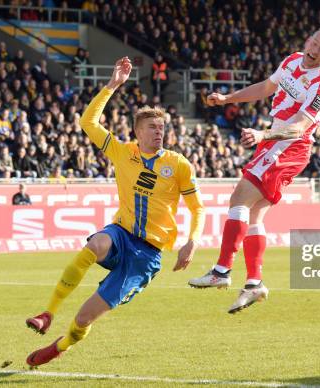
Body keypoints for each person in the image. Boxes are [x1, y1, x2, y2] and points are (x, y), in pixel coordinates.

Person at [25, 57, 205, 367]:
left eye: (162, 127)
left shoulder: (178, 165)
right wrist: (112, 86)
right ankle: (48, 312)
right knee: (94, 245)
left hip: (147, 255)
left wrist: (193, 240)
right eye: (152, 127)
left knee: (83, 320)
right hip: (120, 234)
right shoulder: (122, 152)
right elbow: (87, 123)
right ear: (137, 131)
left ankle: (62, 344)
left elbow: (196, 206)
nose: (158, 132)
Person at [188, 27, 320, 313]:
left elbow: (299, 127)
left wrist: (263, 135)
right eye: (314, 43)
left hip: (289, 146)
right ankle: (254, 283)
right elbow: (266, 87)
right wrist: (228, 99)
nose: (315, 50)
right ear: (307, 40)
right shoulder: (292, 60)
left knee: (239, 199)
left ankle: (221, 272)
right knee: (254, 214)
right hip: (274, 144)